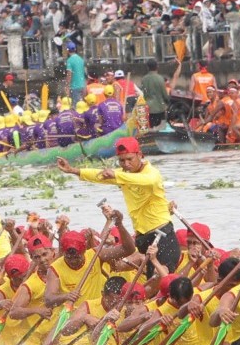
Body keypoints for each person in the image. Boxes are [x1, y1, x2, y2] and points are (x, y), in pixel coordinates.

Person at [55, 137, 178, 277]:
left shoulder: (152, 173)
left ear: (139, 155)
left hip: (162, 234)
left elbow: (145, 180)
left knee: (163, 278)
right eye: (122, 160)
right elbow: (98, 175)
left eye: (130, 159)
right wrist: (72, 170)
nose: (126, 164)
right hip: (143, 238)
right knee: (152, 278)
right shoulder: (123, 175)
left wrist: (116, 175)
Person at [140, 59, 170, 128]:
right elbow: (165, 95)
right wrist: (168, 101)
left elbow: (144, 95)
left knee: (151, 128)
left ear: (148, 67)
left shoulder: (144, 79)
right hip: (160, 108)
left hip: (149, 108)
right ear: (157, 67)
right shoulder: (160, 78)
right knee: (161, 128)